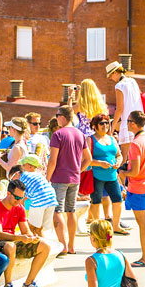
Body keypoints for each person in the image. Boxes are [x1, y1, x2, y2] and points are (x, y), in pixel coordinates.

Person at [0, 178, 52, 287]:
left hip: (12, 241)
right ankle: (8, 286)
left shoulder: (19, 208)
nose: (19, 201)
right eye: (17, 198)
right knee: (10, 246)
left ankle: (28, 284)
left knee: (45, 246)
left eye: (22, 198)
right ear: (8, 193)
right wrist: (21, 238)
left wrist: (32, 238)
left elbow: (25, 231)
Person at [46, 104, 86, 254]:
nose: (56, 118)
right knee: (71, 211)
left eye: (57, 115)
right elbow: (88, 158)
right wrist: (78, 170)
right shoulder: (80, 134)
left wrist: (47, 179)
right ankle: (71, 246)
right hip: (74, 178)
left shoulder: (58, 134)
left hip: (59, 178)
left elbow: (52, 161)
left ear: (62, 117)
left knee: (57, 212)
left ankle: (62, 246)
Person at [122, 111, 145, 267]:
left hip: (138, 187)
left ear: (133, 123)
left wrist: (123, 173)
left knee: (143, 223)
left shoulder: (136, 143)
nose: (127, 123)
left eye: (128, 120)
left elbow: (134, 171)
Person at [83, 114, 125, 232]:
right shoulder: (90, 139)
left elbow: (119, 155)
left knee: (118, 199)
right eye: (102, 123)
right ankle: (97, 228)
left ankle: (116, 226)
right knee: (96, 201)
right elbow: (86, 159)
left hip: (112, 176)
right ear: (95, 126)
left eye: (107, 123)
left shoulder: (112, 139)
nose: (105, 125)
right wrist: (100, 163)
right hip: (96, 176)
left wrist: (118, 162)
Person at [9, 153, 56, 236]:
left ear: (16, 174)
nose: (14, 182)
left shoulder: (22, 178)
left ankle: (31, 243)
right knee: (39, 229)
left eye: (12, 179)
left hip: (40, 201)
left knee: (29, 228)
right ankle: (42, 243)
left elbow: (21, 200)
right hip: (51, 200)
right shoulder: (35, 175)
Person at [107, 61, 143, 161]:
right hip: (140, 122)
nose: (111, 79)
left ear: (115, 73)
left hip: (128, 124)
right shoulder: (133, 81)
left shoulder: (119, 86)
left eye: (110, 76)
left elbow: (119, 109)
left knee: (125, 159)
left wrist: (112, 127)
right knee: (138, 158)